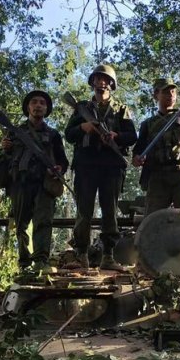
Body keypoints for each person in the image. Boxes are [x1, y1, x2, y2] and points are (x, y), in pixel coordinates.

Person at [64, 64, 137, 271]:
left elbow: (132, 136)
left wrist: (116, 137)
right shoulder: (82, 109)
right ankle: (82, 255)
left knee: (110, 211)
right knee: (83, 211)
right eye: (97, 79)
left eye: (105, 80)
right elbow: (69, 135)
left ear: (111, 84)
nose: (101, 83)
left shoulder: (122, 110)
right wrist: (83, 127)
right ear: (93, 83)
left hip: (111, 167)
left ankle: (108, 255)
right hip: (86, 166)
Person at [1, 90, 69, 275]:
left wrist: (57, 170)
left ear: (46, 109)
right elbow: (5, 160)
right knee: (21, 225)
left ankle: (40, 261)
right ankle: (24, 264)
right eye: (34, 102)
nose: (38, 105)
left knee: (43, 222)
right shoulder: (15, 132)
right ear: (28, 107)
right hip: (21, 183)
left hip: (44, 184)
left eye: (42, 103)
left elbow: (63, 161)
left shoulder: (53, 135)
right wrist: (6, 149)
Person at [132, 78, 180, 215]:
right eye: (165, 92)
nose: (170, 95)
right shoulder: (148, 124)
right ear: (156, 95)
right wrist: (136, 158)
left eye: (173, 91)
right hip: (158, 176)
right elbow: (138, 150)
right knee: (153, 219)